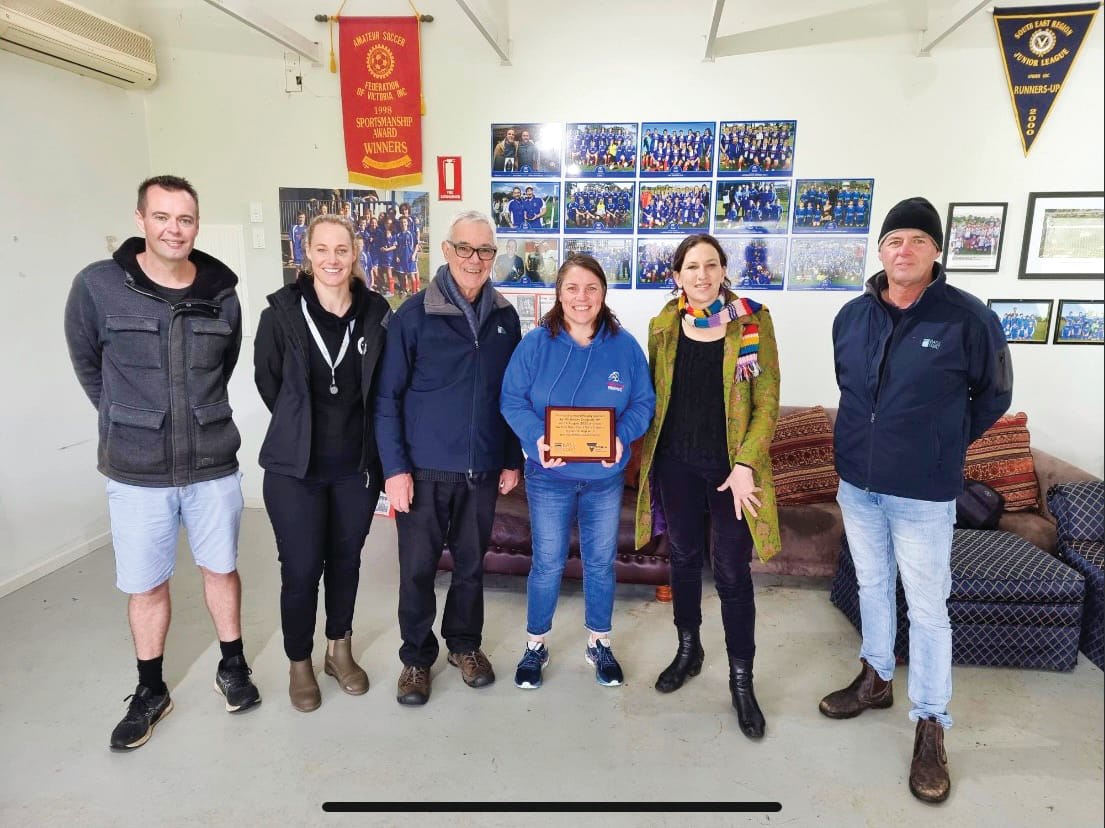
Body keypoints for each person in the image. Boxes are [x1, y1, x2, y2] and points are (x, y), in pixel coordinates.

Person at [819, 196, 1012, 804]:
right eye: (894, 239)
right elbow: (851, 389)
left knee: (929, 609)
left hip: (926, 491)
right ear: (880, 250)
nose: (905, 250)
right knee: (872, 586)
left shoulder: (968, 319)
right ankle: (876, 677)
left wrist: (941, 445)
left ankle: (931, 723)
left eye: (918, 241)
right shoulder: (851, 316)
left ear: (937, 252)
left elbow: (994, 394)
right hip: (858, 483)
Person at [64, 175, 260, 752]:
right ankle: (151, 690)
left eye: (186, 219)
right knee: (146, 584)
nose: (174, 229)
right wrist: (127, 413)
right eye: (163, 217)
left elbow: (224, 364)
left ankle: (234, 666)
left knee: (221, 568)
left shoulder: (222, 290)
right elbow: (87, 362)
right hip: (137, 467)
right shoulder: (99, 287)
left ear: (197, 225)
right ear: (141, 219)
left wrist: (195, 415)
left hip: (210, 462)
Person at [634, 232, 782, 741]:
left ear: (723, 271)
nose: (701, 275)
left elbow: (767, 403)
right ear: (676, 276)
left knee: (733, 572)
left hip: (731, 474)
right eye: (691, 267)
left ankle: (742, 681)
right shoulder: (662, 326)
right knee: (681, 559)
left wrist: (745, 463)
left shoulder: (752, 323)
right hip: (674, 464)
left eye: (711, 265)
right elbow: (648, 396)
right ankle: (688, 649)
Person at [375, 210, 524, 705]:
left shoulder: (505, 318)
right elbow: (387, 399)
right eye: (465, 248)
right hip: (422, 472)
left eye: (485, 251)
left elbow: (510, 397)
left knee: (470, 565)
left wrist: (510, 459)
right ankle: (416, 659)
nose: (475, 259)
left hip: (480, 472)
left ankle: (464, 645)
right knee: (417, 569)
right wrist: (394, 470)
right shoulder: (412, 316)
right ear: (446, 251)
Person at [253, 215, 391, 712]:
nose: (332, 259)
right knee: (302, 568)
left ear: (355, 254)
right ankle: (299, 662)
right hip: (296, 470)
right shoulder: (281, 314)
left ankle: (339, 649)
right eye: (322, 249)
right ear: (306, 254)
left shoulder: (377, 312)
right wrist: (299, 427)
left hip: (355, 468)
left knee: (347, 562)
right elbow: (269, 383)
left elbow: (383, 386)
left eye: (342, 249)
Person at [500, 254, 655, 689]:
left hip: (605, 479)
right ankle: (535, 646)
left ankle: (599, 642)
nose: (581, 297)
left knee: (601, 562)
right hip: (548, 476)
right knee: (547, 563)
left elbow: (644, 402)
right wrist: (537, 439)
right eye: (572, 288)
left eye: (591, 288)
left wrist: (622, 436)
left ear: (604, 294)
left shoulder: (624, 346)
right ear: (559, 294)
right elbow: (511, 400)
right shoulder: (535, 344)